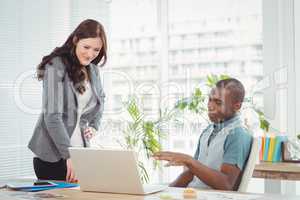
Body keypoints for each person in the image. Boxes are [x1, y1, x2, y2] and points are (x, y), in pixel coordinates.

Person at [28, 19, 107, 182]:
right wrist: (69, 155)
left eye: (96, 50)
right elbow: (52, 116)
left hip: (81, 152)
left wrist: (94, 126)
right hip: (53, 156)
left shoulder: (93, 70)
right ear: (76, 40)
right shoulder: (55, 66)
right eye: (86, 47)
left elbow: (101, 99)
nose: (90, 54)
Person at [153, 78, 253, 191]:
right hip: (193, 193)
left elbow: (227, 184)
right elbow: (192, 173)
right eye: (210, 100)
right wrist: (167, 191)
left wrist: (189, 161)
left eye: (218, 102)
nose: (210, 106)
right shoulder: (208, 130)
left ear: (237, 106)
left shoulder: (238, 134)